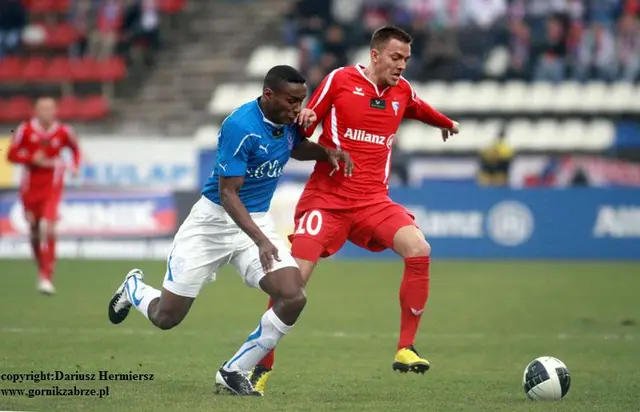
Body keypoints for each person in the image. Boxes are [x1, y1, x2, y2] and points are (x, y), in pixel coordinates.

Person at [107, 65, 353, 396]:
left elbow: (294, 146)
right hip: (212, 224)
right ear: (269, 95)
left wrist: (327, 152)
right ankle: (134, 287)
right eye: (291, 101)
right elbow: (228, 194)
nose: (298, 108)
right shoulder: (241, 126)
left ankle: (234, 369)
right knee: (166, 317)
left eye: (301, 100)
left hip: (256, 221)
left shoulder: (288, 120)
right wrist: (263, 241)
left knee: (293, 296)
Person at [251, 26, 460, 394]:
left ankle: (406, 348)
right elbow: (311, 112)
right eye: (396, 58)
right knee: (292, 285)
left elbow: (417, 107)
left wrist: (444, 122)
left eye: (407, 60)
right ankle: (260, 367)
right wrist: (308, 119)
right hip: (326, 200)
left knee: (419, 249)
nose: (402, 66)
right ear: (375, 55)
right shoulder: (341, 80)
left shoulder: (401, 91)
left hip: (373, 202)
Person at [6, 97, 81, 295]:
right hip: (30, 188)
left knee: (48, 226)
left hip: (53, 185)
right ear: (36, 111)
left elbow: (75, 149)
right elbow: (10, 155)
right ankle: (42, 266)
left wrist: (74, 166)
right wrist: (31, 158)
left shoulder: (64, 131)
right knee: (33, 229)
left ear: (56, 111)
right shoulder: (25, 130)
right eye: (43, 109)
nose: (47, 112)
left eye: (50, 109)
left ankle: (47, 275)